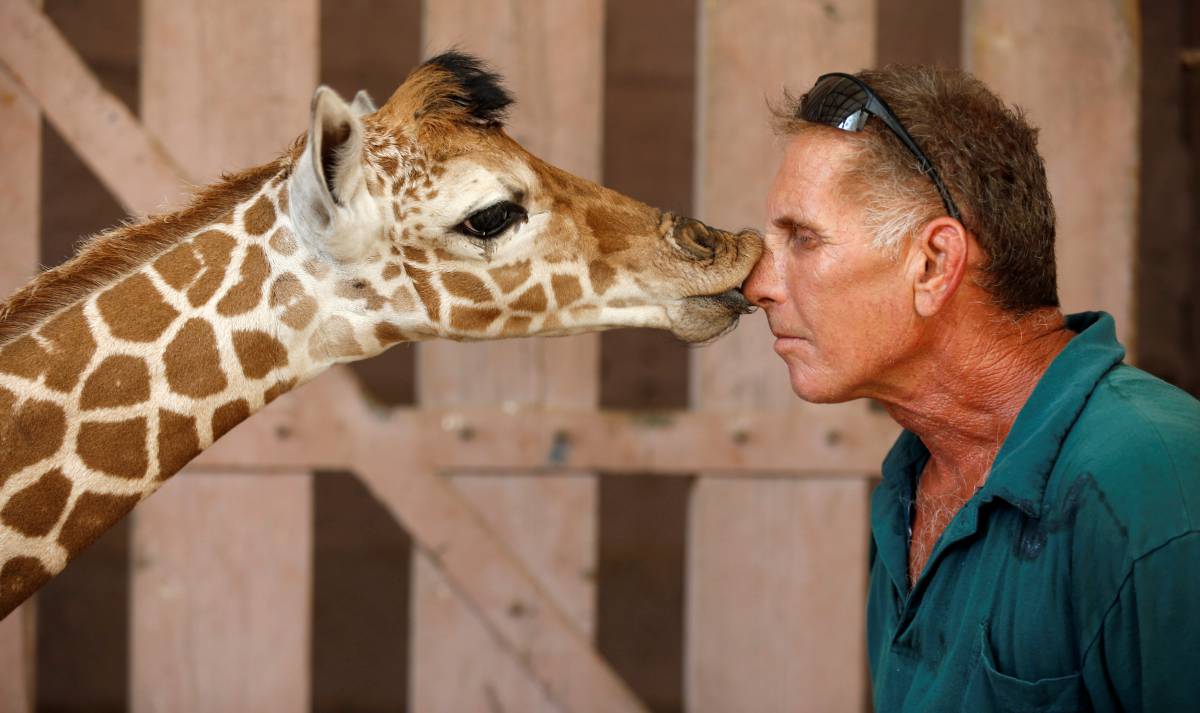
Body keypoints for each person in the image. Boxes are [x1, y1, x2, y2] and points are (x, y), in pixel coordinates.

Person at [742, 66, 1200, 711]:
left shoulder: (1155, 482)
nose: (758, 284)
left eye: (803, 240)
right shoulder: (915, 482)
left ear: (934, 264)